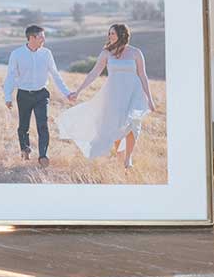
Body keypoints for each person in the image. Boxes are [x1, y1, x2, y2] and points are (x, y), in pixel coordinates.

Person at [56, 23, 157, 173]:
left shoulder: (136, 53)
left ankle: (128, 157)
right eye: (109, 33)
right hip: (114, 94)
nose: (110, 36)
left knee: (133, 124)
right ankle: (120, 157)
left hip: (134, 93)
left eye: (113, 33)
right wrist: (78, 91)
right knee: (116, 126)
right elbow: (94, 73)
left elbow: (143, 75)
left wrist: (149, 98)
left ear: (122, 34)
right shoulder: (106, 53)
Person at [2, 24, 72, 164]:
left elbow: (55, 74)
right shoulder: (17, 54)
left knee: (43, 125)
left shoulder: (46, 53)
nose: (44, 40)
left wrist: (67, 93)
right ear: (32, 38)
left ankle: (43, 156)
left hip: (42, 94)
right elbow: (10, 76)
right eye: (41, 37)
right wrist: (8, 96)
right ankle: (25, 150)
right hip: (24, 95)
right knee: (24, 126)